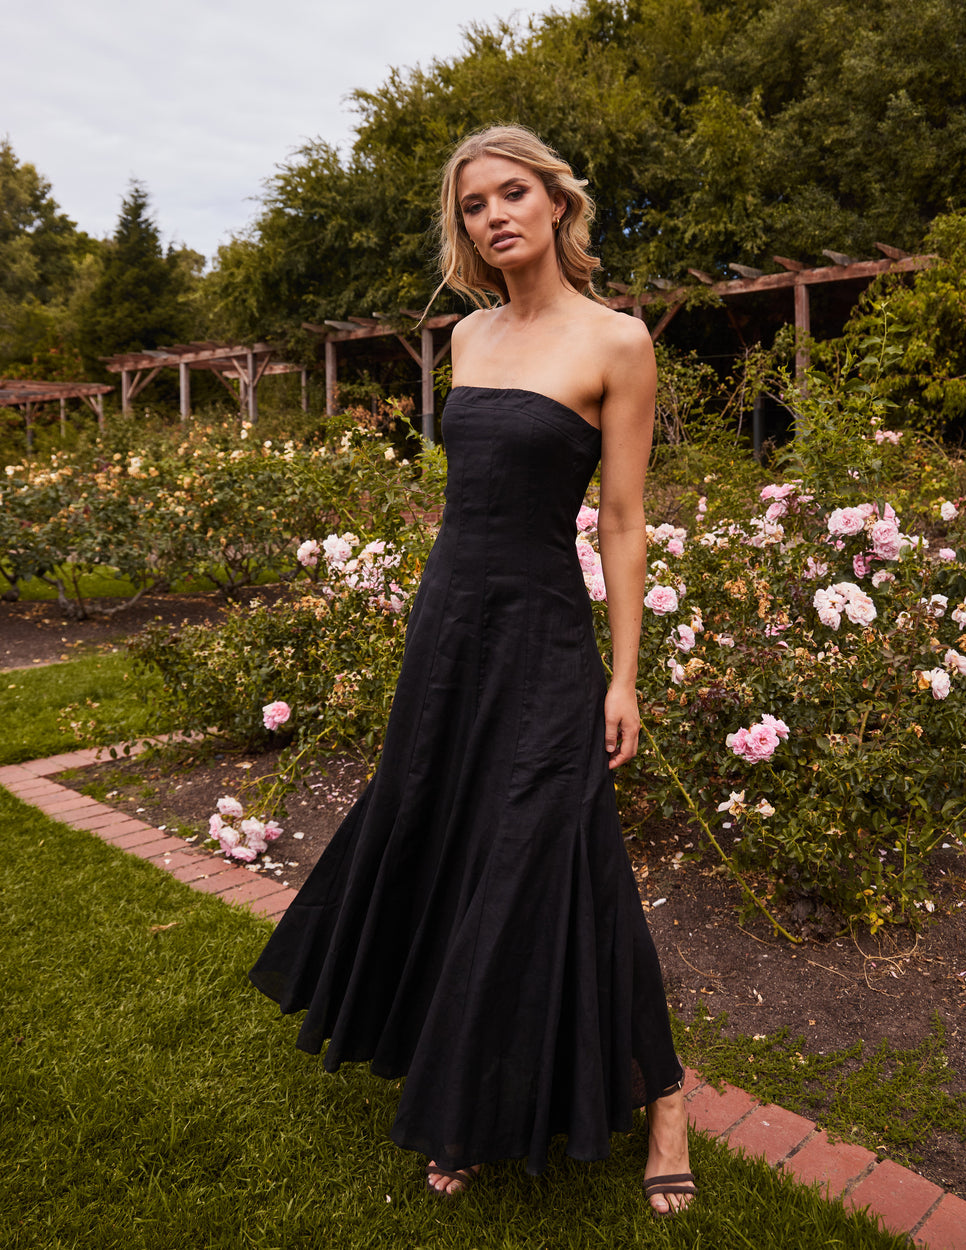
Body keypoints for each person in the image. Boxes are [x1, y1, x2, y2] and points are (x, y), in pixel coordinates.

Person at [249, 123, 695, 1217]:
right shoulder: (463, 339)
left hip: (544, 632)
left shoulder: (618, 341)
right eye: (472, 205)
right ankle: (492, 1084)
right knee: (446, 831)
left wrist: (624, 676)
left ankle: (660, 1094)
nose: (493, 215)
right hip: (449, 623)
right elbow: (468, 499)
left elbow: (626, 522)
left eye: (510, 194)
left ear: (555, 204)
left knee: (543, 841)